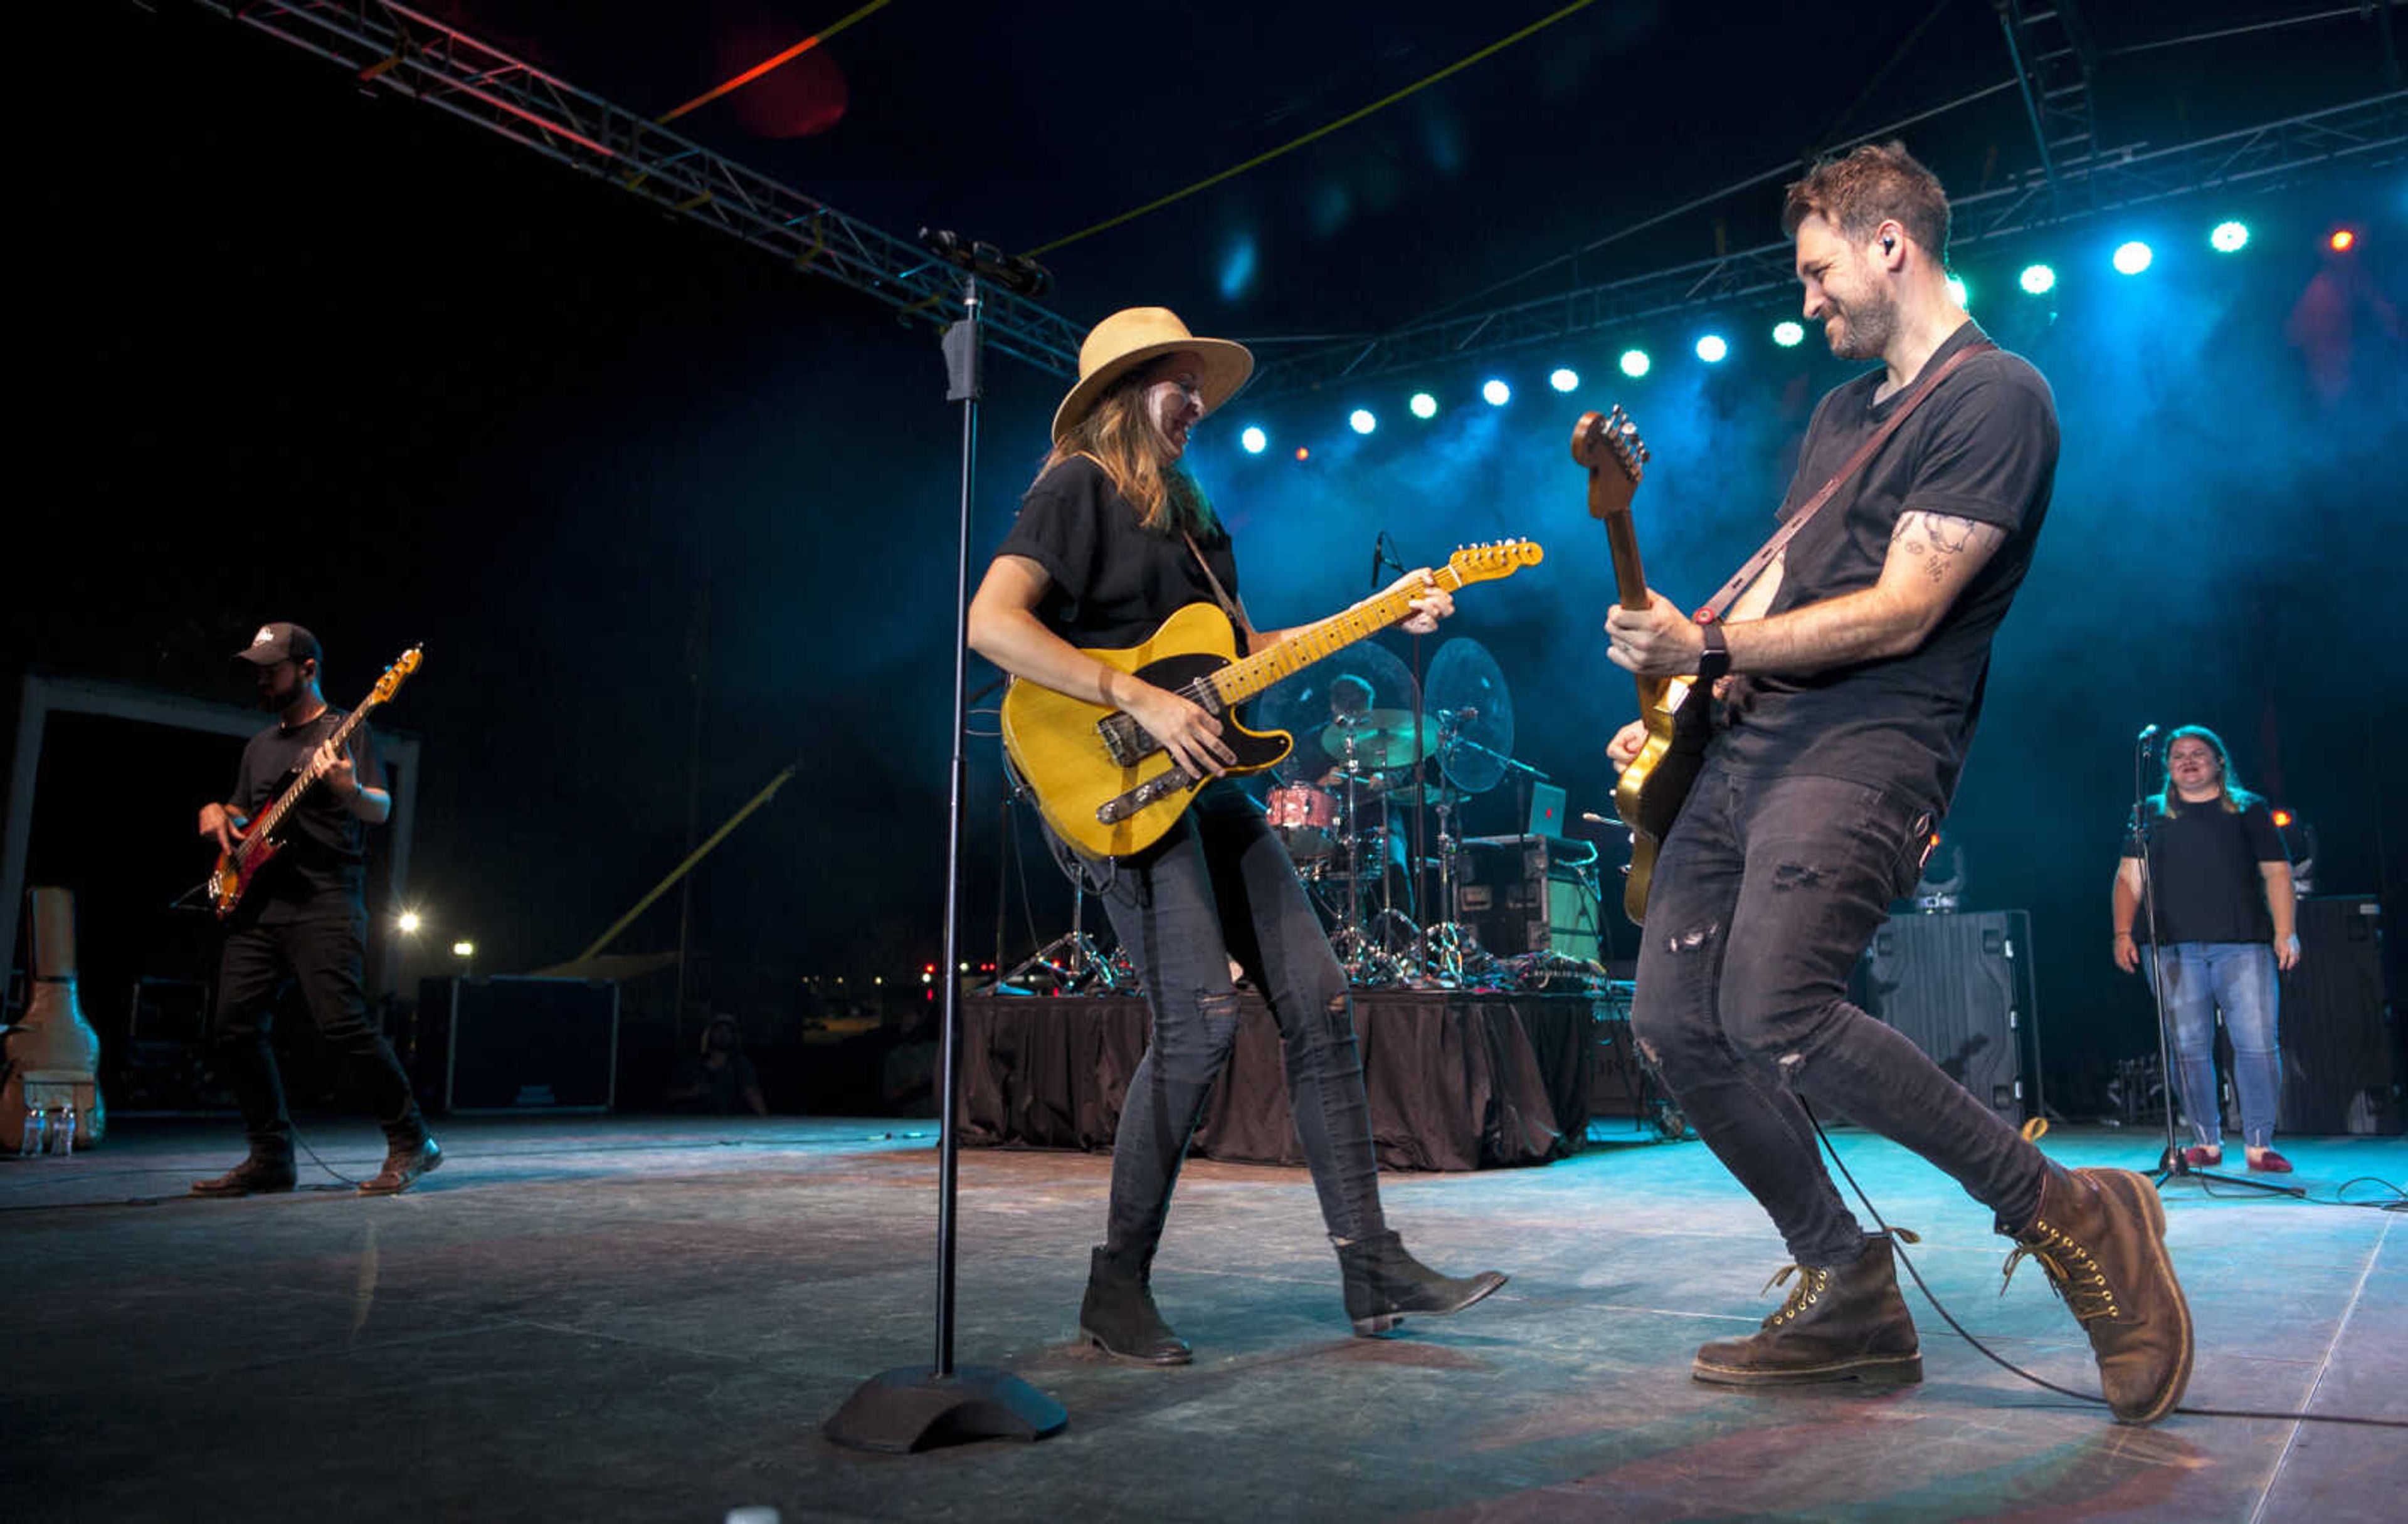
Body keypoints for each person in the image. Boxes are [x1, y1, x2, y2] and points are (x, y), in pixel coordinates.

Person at [1602, 143, 2190, 1425]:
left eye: (1818, 273)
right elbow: (1781, 585)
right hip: (1745, 744)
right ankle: (1848, 1281)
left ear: (1890, 246)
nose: (1807, 302)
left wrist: (1705, 645)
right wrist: (1672, 695)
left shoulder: (2000, 399)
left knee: (1777, 1009)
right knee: (1674, 1024)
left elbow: (1908, 608)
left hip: (1872, 747)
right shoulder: (1836, 419)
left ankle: (2077, 1214)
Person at [966, 306, 1505, 1364]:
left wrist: (1381, 611)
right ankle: (1115, 1286)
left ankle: (1372, 1262)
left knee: (1319, 996)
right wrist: (1139, 697)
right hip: (1117, 783)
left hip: (1208, 786)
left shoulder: (1191, 516)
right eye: (1181, 385)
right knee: (1201, 1025)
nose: (1200, 406)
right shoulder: (1077, 485)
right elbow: (992, 623)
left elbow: (1247, 651)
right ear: (1128, 390)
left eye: (1202, 387)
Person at [192, 623, 441, 1197]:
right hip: (259, 904)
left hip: (325, 899)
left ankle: (413, 1140)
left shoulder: (343, 731)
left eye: (272, 666)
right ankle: (272, 1156)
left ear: (308, 668)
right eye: (257, 666)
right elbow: (239, 809)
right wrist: (213, 810)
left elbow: (378, 807)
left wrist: (348, 788)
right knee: (233, 1026)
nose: (262, 675)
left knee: (341, 1022)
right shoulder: (260, 746)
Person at [2113, 725, 2298, 1172]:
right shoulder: (2150, 814)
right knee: (2189, 1047)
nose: (2188, 761)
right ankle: (2205, 1142)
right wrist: (2122, 932)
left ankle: (2259, 1142)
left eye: (2198, 753)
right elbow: (2128, 877)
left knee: (2255, 1044)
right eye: (2178, 755)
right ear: (2167, 767)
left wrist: (2285, 931)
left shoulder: (2247, 808)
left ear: (2219, 761)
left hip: (2243, 945)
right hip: (2173, 949)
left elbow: (2277, 873)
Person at [665, 1013, 770, 1117]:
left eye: (728, 1031)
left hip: (729, 1123)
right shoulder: (692, 1064)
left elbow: (752, 1093)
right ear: (709, 1034)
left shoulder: (741, 1065)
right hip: (692, 1123)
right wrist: (690, 1093)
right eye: (718, 1029)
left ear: (734, 1036)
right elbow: (669, 1095)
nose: (723, 1034)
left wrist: (764, 1120)